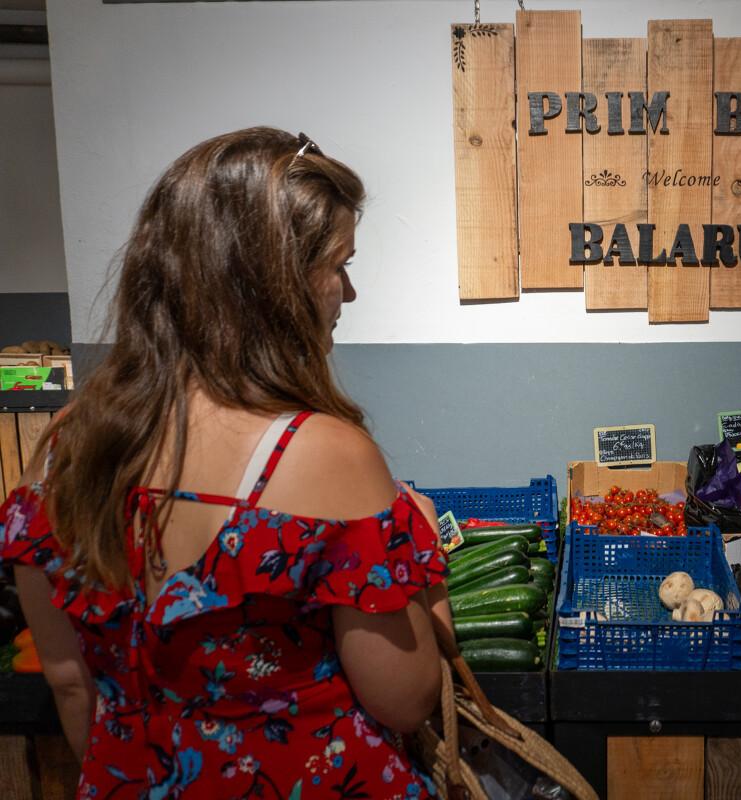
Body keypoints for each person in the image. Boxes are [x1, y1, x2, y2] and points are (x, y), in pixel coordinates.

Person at [0, 127, 450, 799]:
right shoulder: (327, 453)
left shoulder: (61, 451)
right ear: (273, 285)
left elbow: (70, 683)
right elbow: (402, 699)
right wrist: (418, 561)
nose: (347, 293)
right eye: (339, 264)